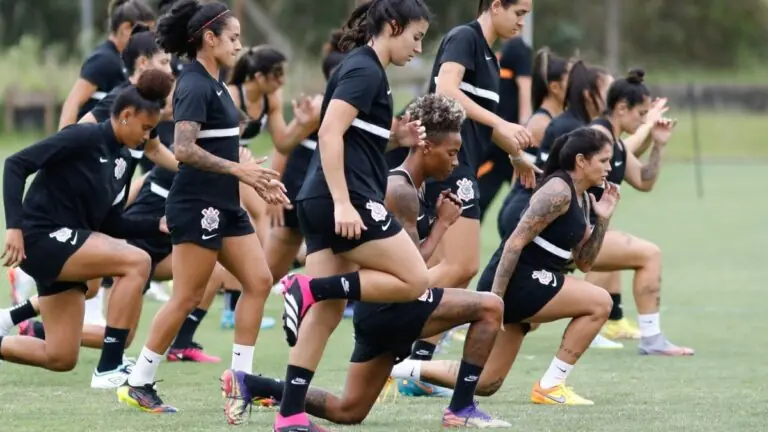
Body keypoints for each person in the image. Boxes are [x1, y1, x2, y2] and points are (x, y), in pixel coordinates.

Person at [222, 93, 511, 429]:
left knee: (349, 410)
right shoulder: (399, 190)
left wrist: (440, 223)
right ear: (426, 147)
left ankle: (254, 385)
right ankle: (460, 409)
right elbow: (411, 267)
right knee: (490, 307)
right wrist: (442, 226)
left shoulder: (412, 188)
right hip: (392, 307)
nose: (456, 162)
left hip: (377, 312)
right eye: (451, 152)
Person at [117, 0, 287, 413]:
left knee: (259, 281)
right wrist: (240, 172)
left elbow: (224, 137)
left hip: (224, 205)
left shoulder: (215, 82)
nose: (239, 45)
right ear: (209, 39)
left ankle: (239, 382)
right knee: (187, 296)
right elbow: (185, 148)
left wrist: (249, 171)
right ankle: (138, 380)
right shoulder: (194, 82)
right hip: (196, 205)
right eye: (232, 37)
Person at [273, 1, 434, 430]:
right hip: (341, 199)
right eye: (416, 36)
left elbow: (355, 141)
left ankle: (289, 413)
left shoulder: (363, 69)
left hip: (317, 199)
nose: (419, 47)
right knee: (415, 279)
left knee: (326, 313)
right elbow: (329, 132)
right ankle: (306, 287)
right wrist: (344, 203)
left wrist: (394, 135)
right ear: (393, 26)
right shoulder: (365, 70)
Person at [391, 127, 618, 405]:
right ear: (582, 160)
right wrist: (496, 300)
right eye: (604, 160)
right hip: (517, 282)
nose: (609, 168)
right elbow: (513, 244)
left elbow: (585, 262)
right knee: (600, 302)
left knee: (486, 382)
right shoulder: (558, 189)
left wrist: (603, 219)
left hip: (531, 283)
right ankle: (551, 386)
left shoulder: (583, 198)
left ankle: (394, 368)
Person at [0, 70, 173, 373]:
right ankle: (110, 367)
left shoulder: (120, 159)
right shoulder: (84, 136)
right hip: (41, 238)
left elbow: (111, 223)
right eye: (145, 128)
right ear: (126, 115)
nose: (147, 137)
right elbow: (16, 164)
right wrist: (13, 226)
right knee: (137, 262)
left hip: (64, 245)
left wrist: (155, 224)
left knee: (61, 357)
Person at [423, 0, 535, 311]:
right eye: (519, 14)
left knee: (459, 268)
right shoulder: (465, 38)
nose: (522, 23)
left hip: (463, 164)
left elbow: (482, 122)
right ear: (496, 6)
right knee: (459, 266)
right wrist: (500, 120)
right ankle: (378, 304)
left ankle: (416, 353)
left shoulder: (491, 61)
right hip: (445, 163)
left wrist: (515, 155)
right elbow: (446, 89)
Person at [583, 70, 694, 356]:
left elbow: (644, 181)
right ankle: (652, 339)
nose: (644, 120)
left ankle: (615, 332)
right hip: (572, 236)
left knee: (522, 321)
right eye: (641, 113)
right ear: (622, 108)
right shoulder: (596, 138)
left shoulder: (614, 144)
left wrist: (658, 144)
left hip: (586, 235)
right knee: (650, 254)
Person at [263, 33, 346, 292]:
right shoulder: (319, 106)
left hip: (320, 192)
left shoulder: (349, 106)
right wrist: (272, 187)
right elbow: (283, 147)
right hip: (296, 191)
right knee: (266, 274)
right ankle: (229, 299)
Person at [58, 0, 155, 129]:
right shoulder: (103, 60)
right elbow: (72, 102)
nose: (148, 39)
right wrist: (66, 142)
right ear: (126, 28)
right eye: (144, 32)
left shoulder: (124, 60)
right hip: (90, 141)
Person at [475, 36, 533, 221]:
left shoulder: (518, 47)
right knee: (480, 201)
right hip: (500, 141)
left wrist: (526, 123)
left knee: (528, 200)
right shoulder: (497, 52)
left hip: (509, 140)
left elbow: (525, 85)